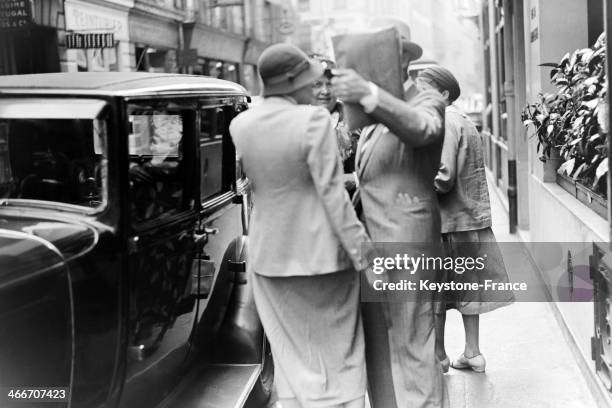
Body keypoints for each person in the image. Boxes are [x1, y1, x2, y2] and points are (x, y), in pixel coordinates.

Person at [229, 43, 371, 408]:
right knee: (341, 351)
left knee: (290, 352)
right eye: (308, 79)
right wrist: (363, 252)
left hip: (269, 256)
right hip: (323, 256)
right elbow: (332, 194)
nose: (315, 87)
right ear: (292, 81)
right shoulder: (314, 121)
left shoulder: (240, 123)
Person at [331, 21, 449, 408]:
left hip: (406, 243)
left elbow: (424, 130)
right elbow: (375, 177)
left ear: (401, 60)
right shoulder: (370, 120)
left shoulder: (426, 100)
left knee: (413, 343)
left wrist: (368, 94)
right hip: (374, 248)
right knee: (380, 343)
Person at [415, 66, 515, 373]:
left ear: (444, 94)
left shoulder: (444, 122)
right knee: (469, 290)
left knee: (436, 294)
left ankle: (439, 356)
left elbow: (443, 178)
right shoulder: (462, 120)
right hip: (469, 221)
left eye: (424, 90)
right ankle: (472, 352)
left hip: (449, 224)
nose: (418, 97)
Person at [310, 54, 359, 174]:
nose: (325, 91)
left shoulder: (355, 121)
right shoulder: (297, 123)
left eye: (330, 84)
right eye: (317, 84)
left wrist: (353, 180)